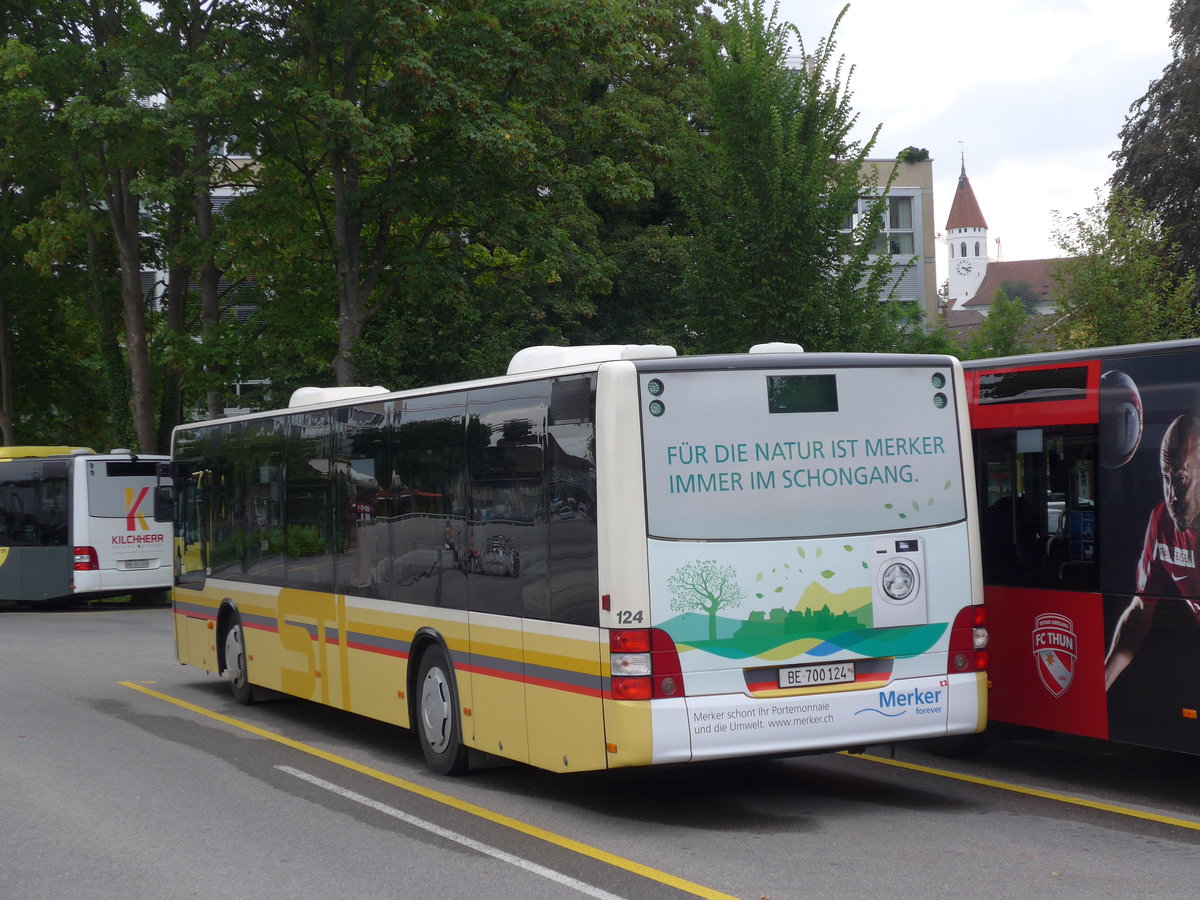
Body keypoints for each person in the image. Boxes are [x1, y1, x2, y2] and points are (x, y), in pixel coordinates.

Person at [1105, 414, 1200, 689]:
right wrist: (1101, 682)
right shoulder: (1162, 521)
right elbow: (1140, 608)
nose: (1172, 495)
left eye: (1181, 479)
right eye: (1166, 478)